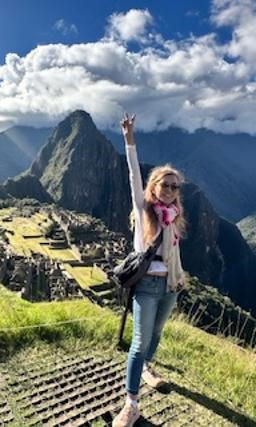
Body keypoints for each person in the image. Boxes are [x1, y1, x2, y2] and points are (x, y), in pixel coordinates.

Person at [113, 113, 186, 427]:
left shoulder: (174, 216)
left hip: (170, 287)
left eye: (174, 186)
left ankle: (147, 368)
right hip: (146, 287)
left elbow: (174, 254)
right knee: (139, 342)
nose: (170, 189)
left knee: (156, 335)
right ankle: (131, 404)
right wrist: (130, 139)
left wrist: (180, 279)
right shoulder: (145, 211)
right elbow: (133, 176)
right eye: (165, 184)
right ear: (154, 186)